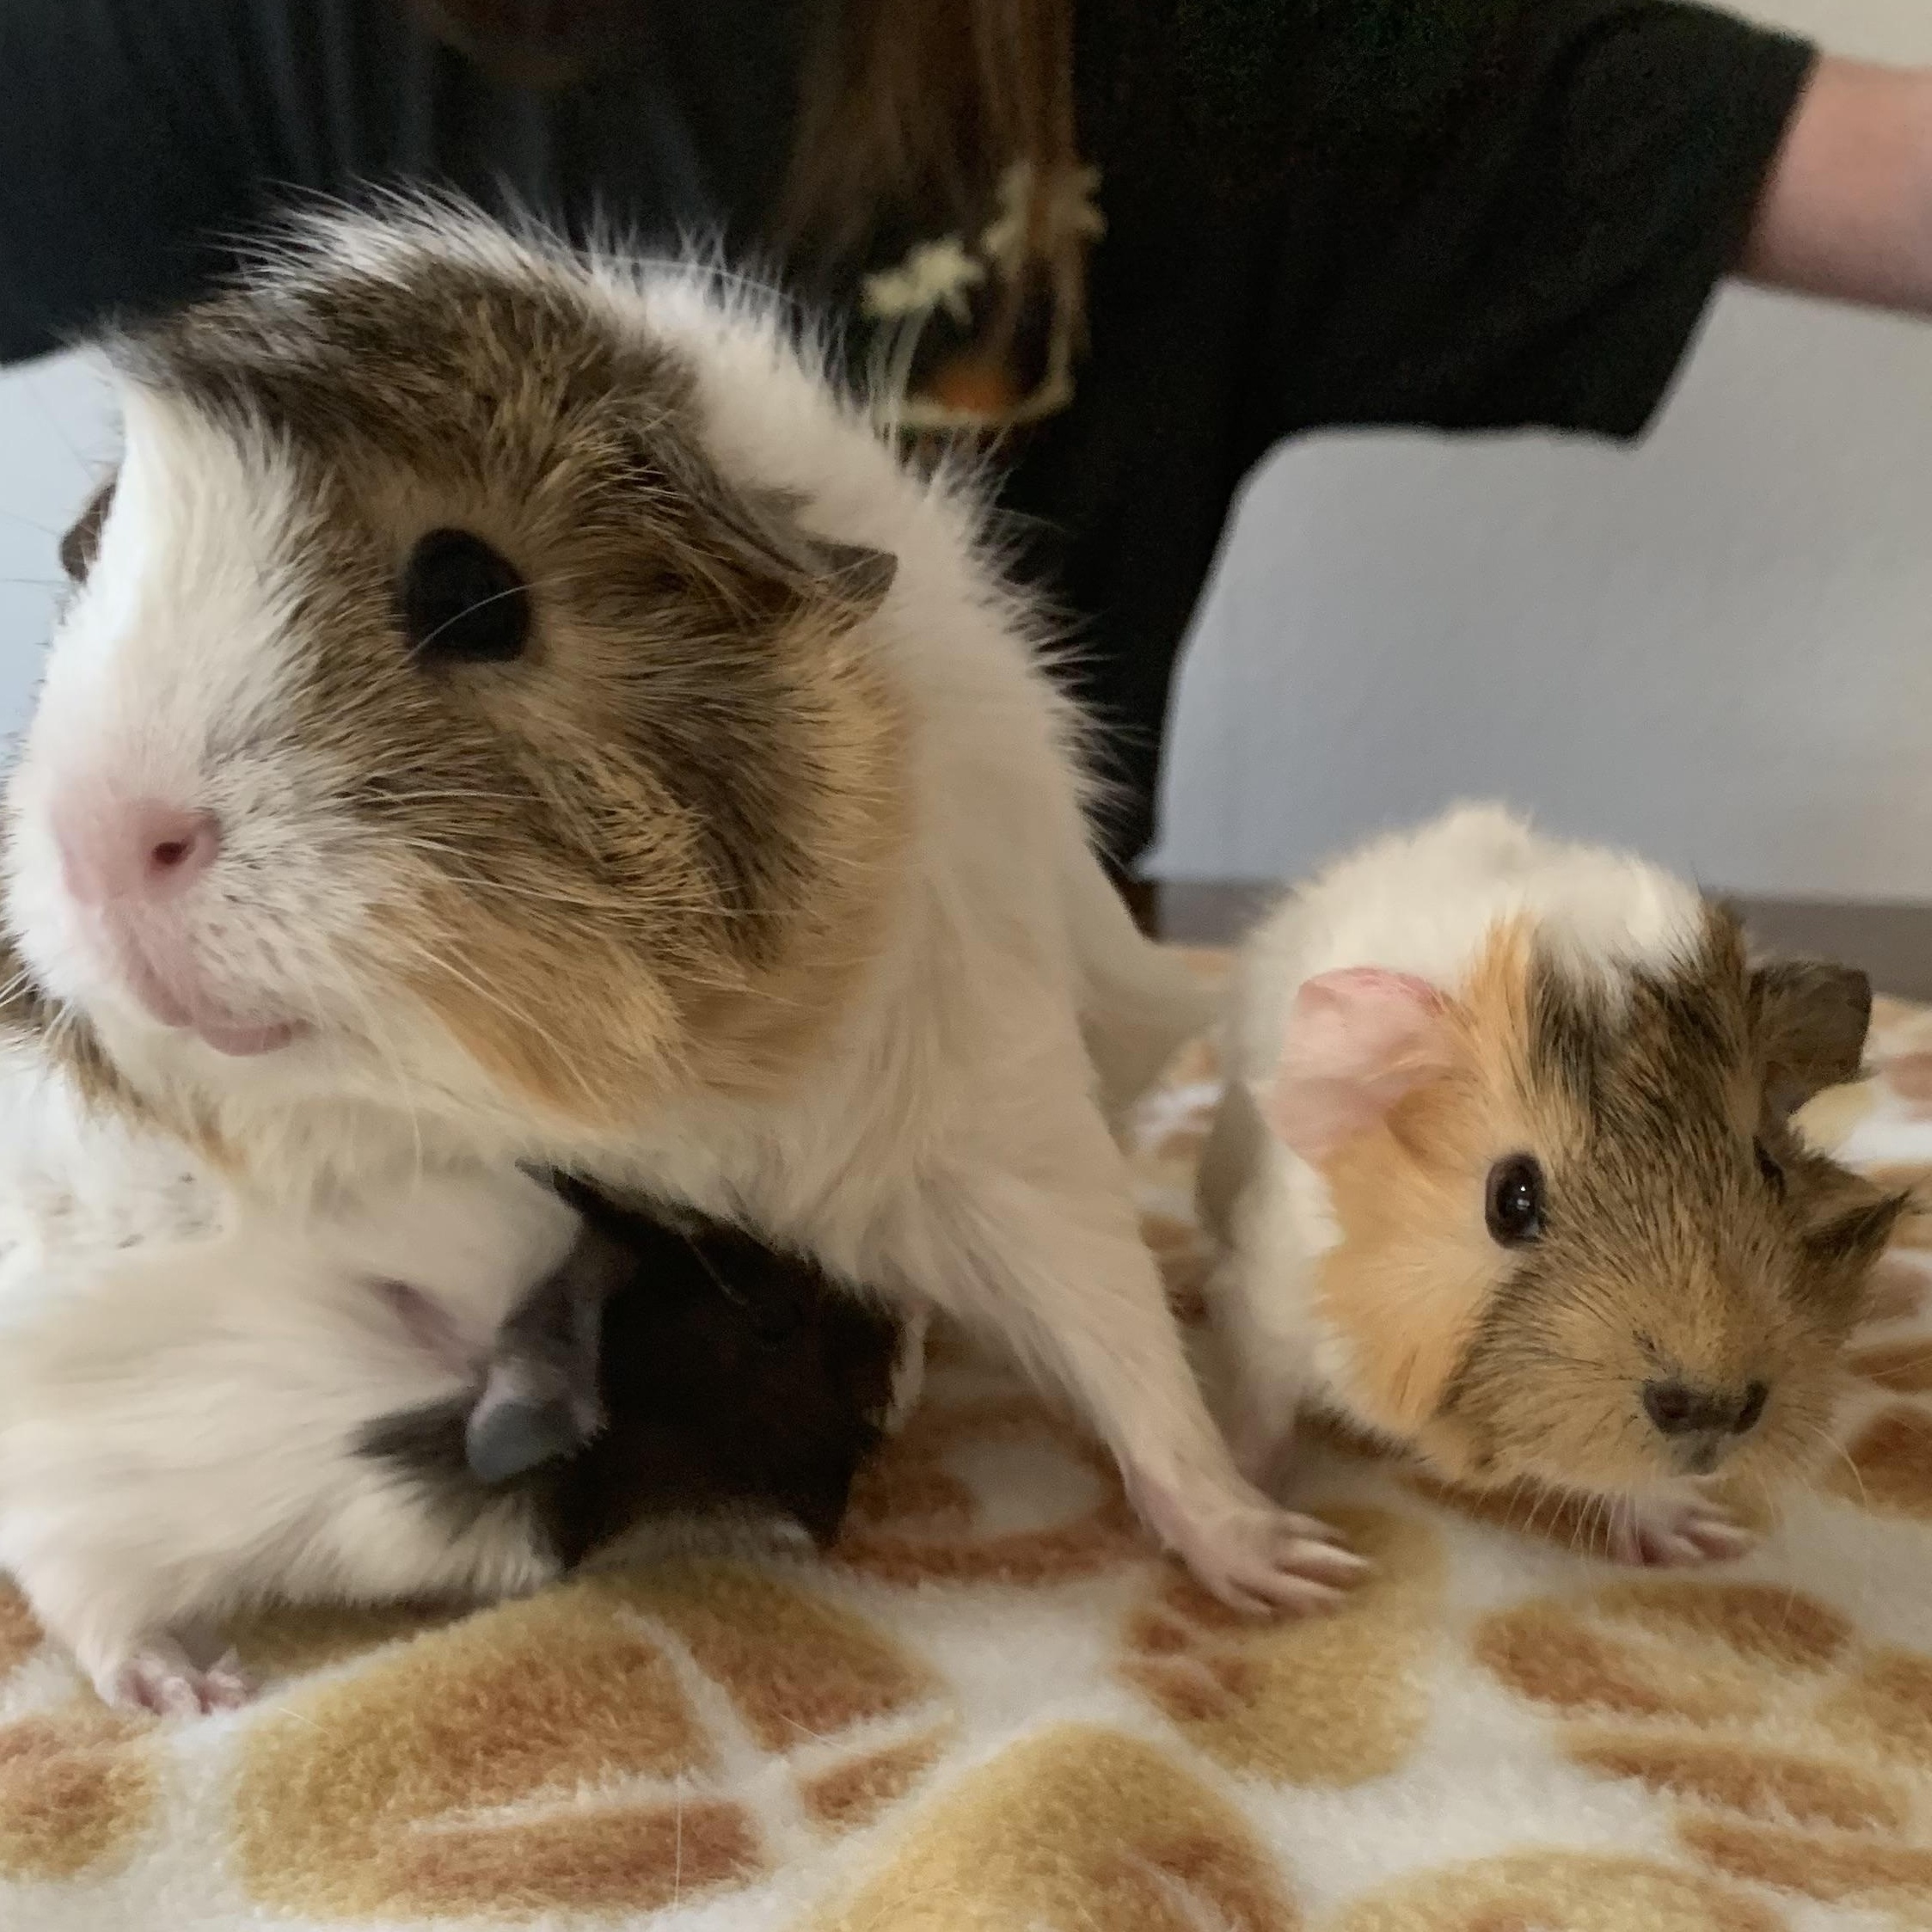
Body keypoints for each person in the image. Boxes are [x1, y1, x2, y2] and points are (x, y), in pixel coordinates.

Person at [3, 0, 1929, 908]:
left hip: (945, 1132)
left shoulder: (1217, 51)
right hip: (342, 1089)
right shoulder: (225, 32)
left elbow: (1833, 162)